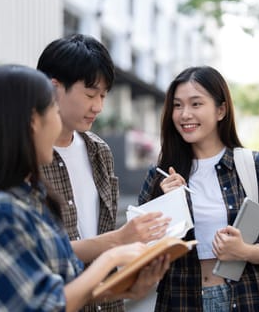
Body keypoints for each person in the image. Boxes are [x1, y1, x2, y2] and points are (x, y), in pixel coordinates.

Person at [0, 65, 169, 311]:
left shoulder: (32, 195)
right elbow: (50, 305)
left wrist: (128, 289)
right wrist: (113, 256)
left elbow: (61, 288)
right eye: (55, 112)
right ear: (34, 121)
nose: (60, 126)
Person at [37, 34, 169, 311]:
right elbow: (41, 251)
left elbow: (103, 231)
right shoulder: (25, 156)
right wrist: (118, 241)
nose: (98, 106)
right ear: (54, 89)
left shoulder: (100, 151)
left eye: (103, 95)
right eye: (90, 94)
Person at [138, 66, 259, 311]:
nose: (185, 114)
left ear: (221, 110)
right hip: (180, 301)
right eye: (177, 105)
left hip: (246, 298)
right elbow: (144, 248)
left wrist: (244, 250)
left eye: (196, 104)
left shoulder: (257, 168)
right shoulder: (160, 175)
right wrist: (167, 203)